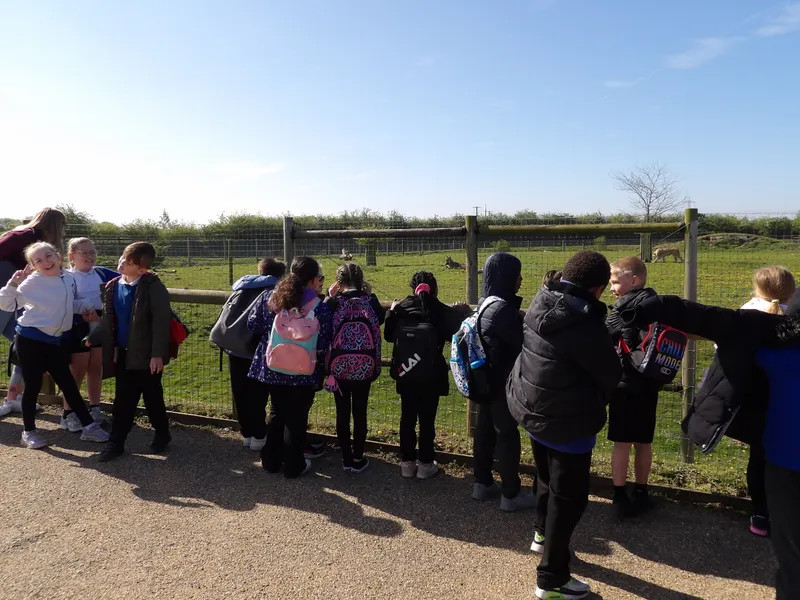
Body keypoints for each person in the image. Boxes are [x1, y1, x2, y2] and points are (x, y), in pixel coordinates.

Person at [623, 289, 800, 600]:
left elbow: (714, 320)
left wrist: (659, 306)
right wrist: (661, 306)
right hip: (782, 460)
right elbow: (713, 319)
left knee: (792, 561)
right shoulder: (778, 344)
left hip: (784, 461)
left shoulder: (777, 346)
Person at [506, 251, 622, 600]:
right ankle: (552, 579)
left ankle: (542, 534)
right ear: (597, 288)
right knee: (569, 498)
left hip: (534, 408)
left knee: (545, 477)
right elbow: (611, 373)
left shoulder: (541, 301)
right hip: (568, 421)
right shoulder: (584, 323)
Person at [685, 266, 795, 537]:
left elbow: (722, 346)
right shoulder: (794, 319)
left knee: (758, 457)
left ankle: (760, 515)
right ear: (792, 292)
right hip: (786, 401)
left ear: (756, 289)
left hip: (752, 399)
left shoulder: (745, 315)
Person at [0, 242, 110, 448]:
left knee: (68, 384)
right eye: (38, 260)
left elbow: (67, 304)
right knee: (33, 386)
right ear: (33, 265)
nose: (46, 262)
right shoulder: (31, 283)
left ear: (58, 256)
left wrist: (85, 306)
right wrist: (13, 284)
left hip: (54, 341)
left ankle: (89, 428)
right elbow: (6, 304)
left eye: (49, 256)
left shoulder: (67, 277)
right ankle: (29, 432)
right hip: (30, 340)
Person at [247, 256, 333, 478]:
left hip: (274, 367)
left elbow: (253, 323)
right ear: (312, 280)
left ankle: (271, 460)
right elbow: (324, 341)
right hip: (304, 370)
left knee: (276, 412)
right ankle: (294, 464)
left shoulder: (270, 298)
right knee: (297, 417)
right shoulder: (319, 308)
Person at [87, 242, 173, 462]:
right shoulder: (113, 286)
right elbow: (109, 318)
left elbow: (161, 323)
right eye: (123, 258)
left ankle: (162, 433)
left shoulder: (153, 287)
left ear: (142, 269)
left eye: (129, 262)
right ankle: (115, 443)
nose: (122, 264)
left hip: (147, 355)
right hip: (124, 353)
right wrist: (94, 337)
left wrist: (157, 354)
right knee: (123, 400)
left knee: (152, 398)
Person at [384, 272, 469, 479]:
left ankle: (406, 463)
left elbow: (388, 336)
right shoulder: (439, 309)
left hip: (406, 372)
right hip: (431, 374)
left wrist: (391, 312)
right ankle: (425, 464)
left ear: (412, 288)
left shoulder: (402, 307)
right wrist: (460, 312)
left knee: (407, 418)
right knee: (427, 420)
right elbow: (454, 334)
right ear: (435, 289)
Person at [471, 252, 534, 511]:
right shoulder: (503, 311)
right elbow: (523, 344)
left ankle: (482, 482)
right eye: (517, 275)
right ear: (506, 277)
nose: (520, 280)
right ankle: (510, 493)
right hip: (503, 383)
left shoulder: (485, 304)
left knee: (484, 430)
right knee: (506, 434)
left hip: (485, 379)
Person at [604, 257, 660, 518]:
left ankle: (619, 495)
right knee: (643, 441)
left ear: (634, 280)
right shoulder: (656, 302)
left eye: (616, 282)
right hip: (650, 381)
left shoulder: (623, 308)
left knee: (622, 443)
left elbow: (605, 334)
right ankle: (641, 491)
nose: (612, 288)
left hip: (625, 382)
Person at [213, 258, 285, 451]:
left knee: (240, 391)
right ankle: (259, 435)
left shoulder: (241, 287)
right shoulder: (273, 292)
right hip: (255, 349)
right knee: (257, 394)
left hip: (234, 346)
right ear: (280, 274)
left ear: (260, 270)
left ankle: (246, 433)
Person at [0, 208, 66, 417]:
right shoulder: (23, 236)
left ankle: (13, 397)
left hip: (12, 298)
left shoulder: (30, 238)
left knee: (25, 344)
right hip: (5, 296)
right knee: (26, 344)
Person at [324, 263, 385, 473]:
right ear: (361, 280)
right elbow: (381, 319)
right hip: (365, 367)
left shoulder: (334, 303)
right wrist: (370, 292)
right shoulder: (370, 302)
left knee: (342, 412)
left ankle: (346, 457)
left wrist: (329, 296)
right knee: (360, 411)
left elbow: (323, 320)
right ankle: (358, 456)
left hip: (339, 367)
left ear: (339, 282)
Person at [60, 237, 119, 432]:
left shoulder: (102, 273)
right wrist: (82, 315)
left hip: (99, 325)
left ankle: (95, 409)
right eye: (84, 253)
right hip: (77, 327)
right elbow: (62, 302)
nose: (90, 256)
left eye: (92, 252)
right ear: (71, 256)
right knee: (76, 371)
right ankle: (68, 414)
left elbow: (126, 278)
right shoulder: (65, 276)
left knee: (96, 368)